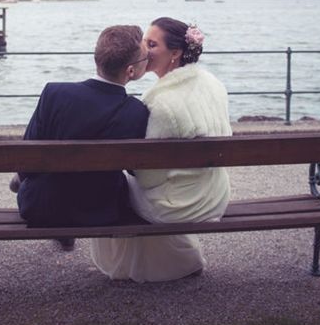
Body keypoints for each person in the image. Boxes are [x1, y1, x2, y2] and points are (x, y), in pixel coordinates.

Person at [90, 17, 232, 281]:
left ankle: (153, 265)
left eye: (152, 44)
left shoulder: (161, 104)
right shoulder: (213, 83)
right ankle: (180, 257)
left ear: (175, 53)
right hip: (214, 194)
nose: (143, 49)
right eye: (144, 41)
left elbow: (149, 177)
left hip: (178, 207)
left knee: (111, 181)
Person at [13, 24, 150, 249]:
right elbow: (135, 171)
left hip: (40, 207)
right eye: (145, 58)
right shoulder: (137, 111)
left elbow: (27, 158)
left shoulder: (54, 93)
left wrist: (23, 179)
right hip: (102, 211)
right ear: (131, 71)